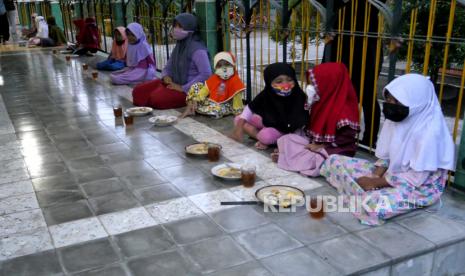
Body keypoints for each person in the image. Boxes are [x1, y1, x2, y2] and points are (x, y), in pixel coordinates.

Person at [320, 74, 456, 226]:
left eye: (396, 101)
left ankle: (360, 192)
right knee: (334, 160)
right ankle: (360, 191)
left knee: (373, 204)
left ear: (415, 102)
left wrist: (376, 183)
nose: (390, 104)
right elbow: (387, 156)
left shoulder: (430, 132)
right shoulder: (397, 120)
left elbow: (416, 178)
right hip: (389, 175)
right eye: (388, 99)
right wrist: (373, 176)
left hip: (417, 188)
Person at [275, 63, 360, 176]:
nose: (310, 87)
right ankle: (290, 158)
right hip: (317, 144)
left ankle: (291, 159)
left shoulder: (344, 110)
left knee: (318, 159)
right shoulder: (320, 102)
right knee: (287, 139)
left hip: (338, 149)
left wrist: (322, 146)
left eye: (314, 84)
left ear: (329, 85)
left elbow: (345, 139)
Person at [320, 0, 384, 147]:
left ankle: (369, 140)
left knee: (367, 94)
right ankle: (334, 133)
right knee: (334, 92)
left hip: (365, 48)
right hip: (338, 46)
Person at [132, 13, 211, 109]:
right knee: (137, 92)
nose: (176, 29)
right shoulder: (179, 46)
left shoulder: (198, 50)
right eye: (175, 25)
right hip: (172, 84)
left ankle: (158, 95)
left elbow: (206, 74)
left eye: (180, 26)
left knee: (155, 100)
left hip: (188, 91)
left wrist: (182, 88)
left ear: (190, 28)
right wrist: (166, 76)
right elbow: (168, 66)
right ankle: (158, 94)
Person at [230, 62, 309, 150]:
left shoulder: (298, 96)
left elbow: (299, 125)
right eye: (279, 81)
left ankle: (266, 139)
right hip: (269, 121)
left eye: (290, 80)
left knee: (265, 136)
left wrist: (285, 145)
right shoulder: (266, 93)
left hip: (283, 130)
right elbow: (250, 108)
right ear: (269, 82)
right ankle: (259, 136)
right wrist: (239, 127)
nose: (285, 85)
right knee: (238, 120)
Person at [180, 51, 245, 119]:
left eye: (227, 64)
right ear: (216, 67)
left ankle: (195, 108)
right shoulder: (215, 77)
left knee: (217, 110)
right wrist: (196, 99)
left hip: (224, 105)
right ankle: (192, 106)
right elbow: (205, 90)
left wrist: (238, 112)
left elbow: (237, 101)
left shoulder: (235, 80)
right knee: (196, 85)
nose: (224, 68)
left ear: (232, 65)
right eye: (220, 66)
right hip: (210, 100)